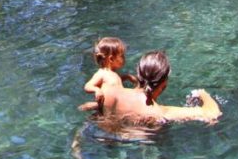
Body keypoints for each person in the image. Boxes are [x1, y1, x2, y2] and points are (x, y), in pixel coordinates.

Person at [94, 50, 222, 124]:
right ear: (164, 82)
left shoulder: (112, 93)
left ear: (138, 73)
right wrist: (203, 94)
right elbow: (212, 114)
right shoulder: (160, 113)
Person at [79, 36, 136, 112]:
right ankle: (94, 106)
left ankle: (95, 106)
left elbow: (113, 84)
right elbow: (87, 86)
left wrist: (127, 77)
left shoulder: (112, 73)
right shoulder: (102, 73)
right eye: (122, 56)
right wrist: (97, 90)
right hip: (107, 110)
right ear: (111, 59)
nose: (124, 58)